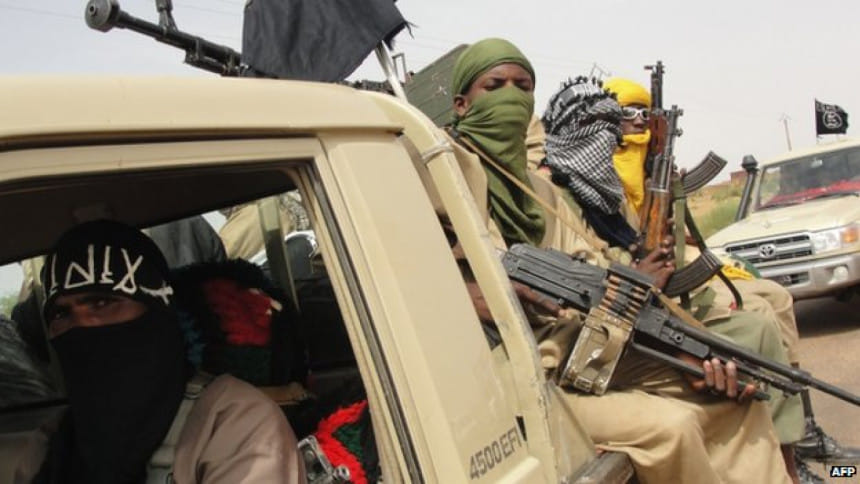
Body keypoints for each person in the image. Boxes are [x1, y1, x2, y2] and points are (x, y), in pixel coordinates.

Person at [444, 38, 790, 484]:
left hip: (590, 340)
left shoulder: (538, 191)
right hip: (520, 368)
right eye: (495, 86)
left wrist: (676, 343)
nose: (511, 97)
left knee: (736, 393)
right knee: (674, 426)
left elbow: (592, 269)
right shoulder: (444, 176)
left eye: (523, 87)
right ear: (462, 104)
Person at [601, 76, 860, 468]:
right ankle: (784, 451)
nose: (638, 121)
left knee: (775, 296)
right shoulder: (603, 175)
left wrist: (670, 193)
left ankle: (801, 432)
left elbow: (671, 234)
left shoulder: (644, 166)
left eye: (644, 113)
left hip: (666, 274)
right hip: (642, 290)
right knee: (759, 318)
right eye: (627, 112)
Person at [15, 220, 305, 484]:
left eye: (102, 303)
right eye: (62, 314)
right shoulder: (53, 442)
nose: (82, 326)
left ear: (156, 313)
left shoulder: (233, 422)